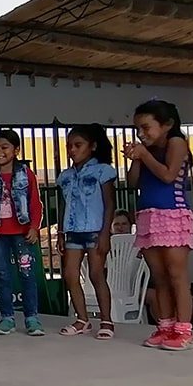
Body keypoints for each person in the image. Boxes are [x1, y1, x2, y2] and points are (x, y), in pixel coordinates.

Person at [126, 99, 193, 350]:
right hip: (148, 216)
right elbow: (133, 182)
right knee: (160, 277)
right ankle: (165, 326)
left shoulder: (176, 143)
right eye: (138, 129)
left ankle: (184, 331)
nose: (141, 134)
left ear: (167, 124)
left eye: (146, 127)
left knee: (177, 276)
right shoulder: (147, 151)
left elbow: (168, 175)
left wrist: (144, 154)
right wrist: (136, 158)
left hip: (173, 215)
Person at [0, 130, 45, 337]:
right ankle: (7, 318)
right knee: (3, 276)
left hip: (22, 233)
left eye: (4, 147)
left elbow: (35, 204)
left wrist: (34, 227)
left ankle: (32, 318)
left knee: (27, 274)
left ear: (16, 150)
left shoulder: (26, 174)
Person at [56, 124, 117, 340]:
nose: (72, 150)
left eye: (78, 145)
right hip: (72, 230)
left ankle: (106, 320)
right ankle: (82, 319)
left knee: (96, 274)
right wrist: (60, 232)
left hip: (94, 230)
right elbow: (63, 204)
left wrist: (105, 233)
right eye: (69, 146)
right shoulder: (65, 176)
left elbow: (110, 204)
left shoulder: (103, 170)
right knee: (70, 275)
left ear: (92, 146)